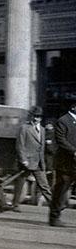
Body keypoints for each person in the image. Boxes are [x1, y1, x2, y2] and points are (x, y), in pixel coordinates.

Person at [11, 106, 52, 212]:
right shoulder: (24, 128)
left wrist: (43, 161)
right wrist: (23, 159)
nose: (36, 119)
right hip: (26, 162)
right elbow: (20, 145)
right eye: (34, 116)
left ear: (41, 118)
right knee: (20, 183)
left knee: (44, 184)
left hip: (38, 162)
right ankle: (15, 204)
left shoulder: (42, 130)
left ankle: (53, 205)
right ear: (31, 116)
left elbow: (42, 147)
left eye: (38, 117)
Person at [48, 96, 76, 227]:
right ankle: (54, 217)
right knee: (61, 189)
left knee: (63, 190)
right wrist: (74, 151)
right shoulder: (63, 121)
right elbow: (61, 140)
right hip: (65, 163)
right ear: (74, 107)